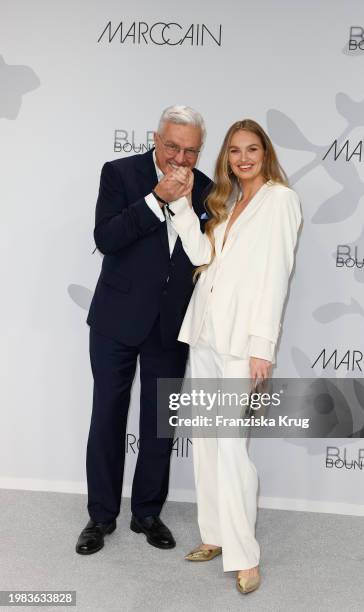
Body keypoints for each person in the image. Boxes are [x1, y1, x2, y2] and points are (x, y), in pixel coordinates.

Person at [164, 119, 302, 593]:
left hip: (242, 344)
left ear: (265, 154)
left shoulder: (280, 200)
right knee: (204, 439)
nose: (243, 158)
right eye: (235, 150)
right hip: (205, 333)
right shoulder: (225, 203)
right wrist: (181, 205)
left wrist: (263, 348)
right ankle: (215, 535)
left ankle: (246, 555)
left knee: (230, 447)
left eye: (252, 149)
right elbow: (203, 253)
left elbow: (277, 277)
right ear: (225, 157)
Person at [76, 105, 212, 555]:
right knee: (107, 416)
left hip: (171, 325)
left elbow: (203, 259)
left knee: (159, 425)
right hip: (116, 319)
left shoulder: (208, 189)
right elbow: (106, 238)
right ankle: (100, 517)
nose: (180, 157)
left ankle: (148, 513)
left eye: (190, 150)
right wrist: (156, 199)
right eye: (172, 145)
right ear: (156, 138)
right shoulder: (120, 174)